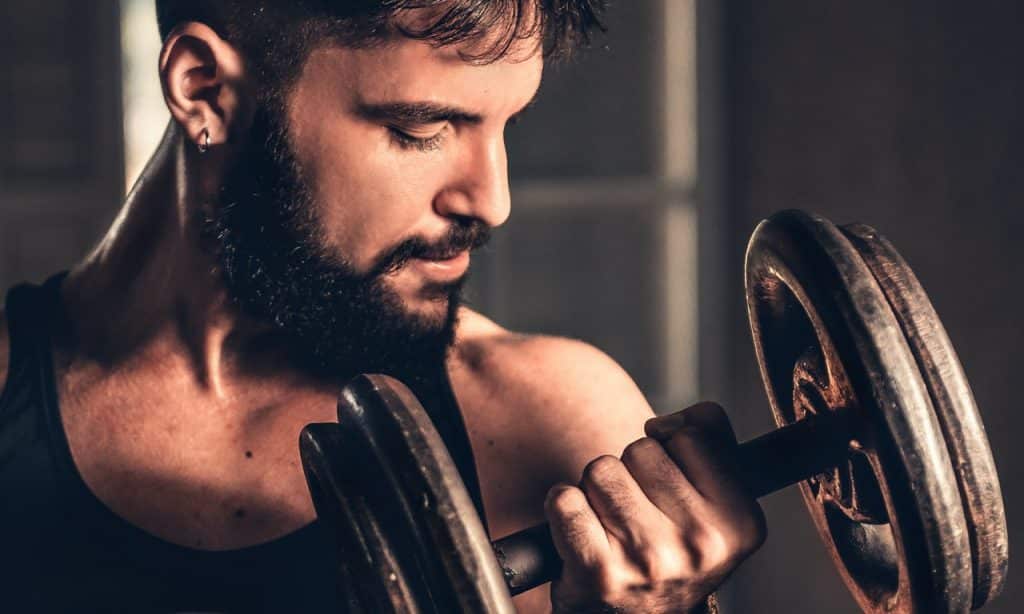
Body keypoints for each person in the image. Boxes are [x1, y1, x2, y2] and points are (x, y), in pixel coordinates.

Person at [0, 1, 764, 611]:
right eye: (422, 129)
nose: (491, 201)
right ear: (205, 90)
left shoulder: (549, 419)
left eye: (507, 127)